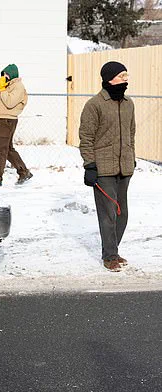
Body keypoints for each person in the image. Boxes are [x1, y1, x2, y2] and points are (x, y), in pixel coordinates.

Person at [79, 61, 135, 272]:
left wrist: (131, 156)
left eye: (126, 75)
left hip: (124, 167)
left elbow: (131, 133)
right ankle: (110, 255)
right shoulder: (94, 104)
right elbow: (86, 137)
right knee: (108, 215)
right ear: (110, 78)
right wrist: (90, 165)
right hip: (103, 169)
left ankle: (114, 250)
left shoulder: (129, 103)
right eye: (122, 76)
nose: (126, 79)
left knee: (122, 214)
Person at [0, 64, 33, 186]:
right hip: (2, 118)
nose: (5, 77)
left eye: (6, 74)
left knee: (1, 150)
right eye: (3, 74)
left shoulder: (18, 86)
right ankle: (24, 172)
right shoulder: (6, 86)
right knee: (8, 149)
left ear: (12, 74)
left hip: (7, 120)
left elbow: (9, 103)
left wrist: (3, 90)